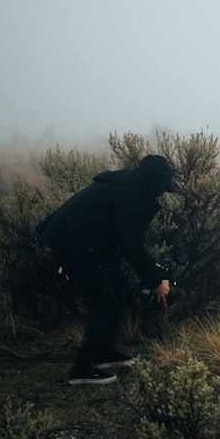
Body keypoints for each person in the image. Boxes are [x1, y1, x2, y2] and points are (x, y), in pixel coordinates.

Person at [37, 154, 179, 385]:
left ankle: (105, 354)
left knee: (119, 290)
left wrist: (151, 272)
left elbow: (124, 240)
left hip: (85, 245)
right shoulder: (129, 194)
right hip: (72, 246)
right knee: (105, 303)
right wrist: (155, 283)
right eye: (163, 188)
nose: (162, 193)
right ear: (155, 182)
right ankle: (81, 369)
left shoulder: (128, 185)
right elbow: (131, 243)